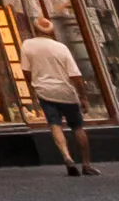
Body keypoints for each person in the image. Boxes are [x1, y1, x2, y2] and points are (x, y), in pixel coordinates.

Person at [18, 14, 98, 175]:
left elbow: (26, 71)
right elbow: (76, 76)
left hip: (44, 91)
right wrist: (83, 97)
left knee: (55, 124)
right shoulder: (61, 48)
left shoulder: (27, 45)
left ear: (34, 30)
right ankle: (86, 164)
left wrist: (34, 84)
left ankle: (67, 156)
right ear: (52, 31)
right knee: (77, 127)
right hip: (66, 91)